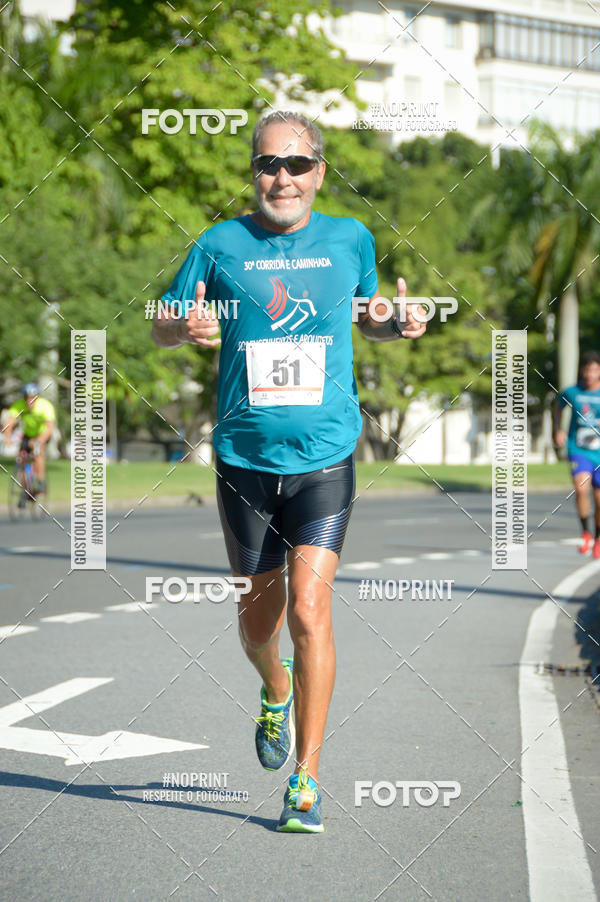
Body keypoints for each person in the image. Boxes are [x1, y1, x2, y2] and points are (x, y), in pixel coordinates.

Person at [152, 110, 427, 833]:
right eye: (269, 164)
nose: (283, 177)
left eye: (297, 164)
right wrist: (182, 327)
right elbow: (159, 322)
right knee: (257, 626)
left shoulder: (350, 238)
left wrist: (394, 320)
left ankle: (306, 778)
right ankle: (273, 690)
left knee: (311, 608)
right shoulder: (218, 244)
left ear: (320, 173)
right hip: (243, 461)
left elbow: (365, 313)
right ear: (254, 173)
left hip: (328, 455)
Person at [553, 350, 600, 557]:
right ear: (582, 371)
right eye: (587, 370)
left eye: (595, 370)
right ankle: (586, 532)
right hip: (578, 449)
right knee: (581, 489)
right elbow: (557, 404)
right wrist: (558, 429)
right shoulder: (572, 392)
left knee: (599, 500)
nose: (590, 374)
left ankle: (598, 537)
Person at [2, 383, 56, 495]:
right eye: (27, 397)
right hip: (28, 434)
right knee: (21, 457)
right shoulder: (19, 405)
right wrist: (7, 437)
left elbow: (50, 428)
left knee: (38, 452)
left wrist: (39, 440)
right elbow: (9, 422)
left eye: (33, 397)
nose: (29, 400)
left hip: (43, 434)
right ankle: (26, 489)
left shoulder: (45, 406)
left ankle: (41, 482)